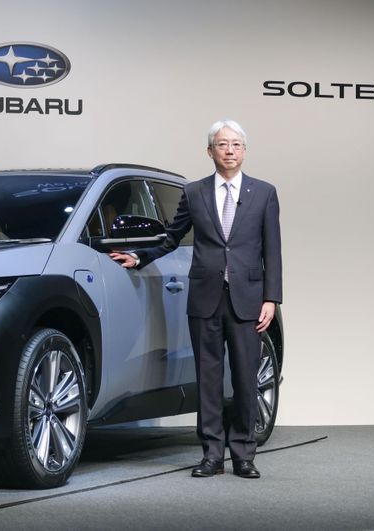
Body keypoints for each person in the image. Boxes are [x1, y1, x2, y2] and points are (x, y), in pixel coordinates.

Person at [111, 120, 282, 479]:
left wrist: (272, 299)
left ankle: (244, 455)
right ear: (210, 151)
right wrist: (141, 257)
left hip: (248, 299)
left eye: (236, 144)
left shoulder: (265, 193)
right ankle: (211, 455)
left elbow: (272, 250)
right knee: (208, 378)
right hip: (205, 298)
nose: (230, 150)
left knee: (246, 379)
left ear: (244, 151)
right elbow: (171, 237)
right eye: (222, 145)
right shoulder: (194, 192)